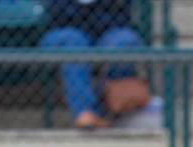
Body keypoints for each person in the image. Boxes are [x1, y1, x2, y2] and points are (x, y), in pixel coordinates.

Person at [40, 0, 150, 129]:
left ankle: (118, 108)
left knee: (124, 41)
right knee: (74, 43)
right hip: (63, 32)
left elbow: (122, 16)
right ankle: (85, 112)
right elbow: (56, 14)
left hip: (108, 30)